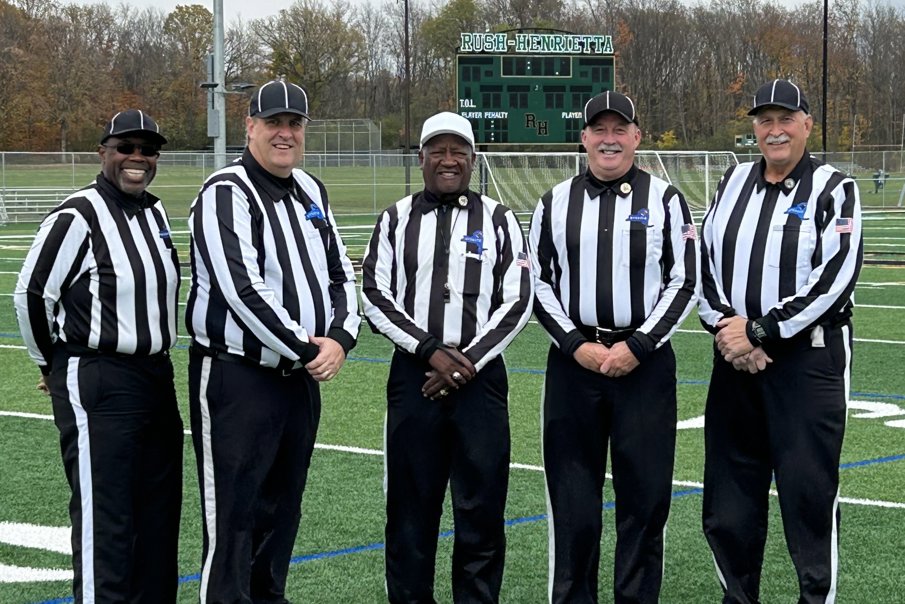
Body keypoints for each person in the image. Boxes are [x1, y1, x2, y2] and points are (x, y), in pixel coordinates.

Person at [186, 78, 361, 602]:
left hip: (297, 381)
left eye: (294, 124)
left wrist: (341, 337)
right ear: (250, 127)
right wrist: (309, 347)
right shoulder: (226, 191)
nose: (285, 133)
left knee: (283, 508)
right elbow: (241, 287)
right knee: (233, 514)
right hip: (239, 376)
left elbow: (339, 273)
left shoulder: (312, 189)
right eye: (273, 123)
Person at [529, 91, 699, 603]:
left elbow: (685, 280)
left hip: (643, 368)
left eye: (619, 129)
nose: (609, 139)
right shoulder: (553, 202)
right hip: (574, 368)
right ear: (583, 138)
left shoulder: (667, 200)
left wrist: (641, 345)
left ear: (636, 137)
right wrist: (575, 343)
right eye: (598, 130)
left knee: (644, 502)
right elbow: (537, 281)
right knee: (574, 501)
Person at [699, 79, 863, 603]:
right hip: (735, 360)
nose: (775, 130)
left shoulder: (835, 188)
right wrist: (729, 331)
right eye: (765, 121)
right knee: (729, 499)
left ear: (807, 125)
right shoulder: (732, 181)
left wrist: (762, 330)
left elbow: (836, 277)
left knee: (808, 494)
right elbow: (701, 264)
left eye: (785, 119)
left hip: (807, 360)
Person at [361, 111, 533, 603]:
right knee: (410, 511)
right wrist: (431, 352)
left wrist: (464, 362)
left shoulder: (500, 220)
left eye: (458, 150)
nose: (448, 159)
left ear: (473, 159)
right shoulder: (394, 218)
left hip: (480, 382)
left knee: (481, 510)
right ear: (421, 158)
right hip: (415, 379)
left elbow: (518, 300)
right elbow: (373, 293)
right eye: (438, 150)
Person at [14, 109, 183, 603]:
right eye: (125, 147)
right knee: (104, 516)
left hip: (156, 376)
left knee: (157, 515)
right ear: (103, 152)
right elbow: (31, 295)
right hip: (100, 374)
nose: (137, 158)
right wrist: (53, 364)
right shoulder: (77, 215)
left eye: (147, 150)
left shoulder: (153, 213)